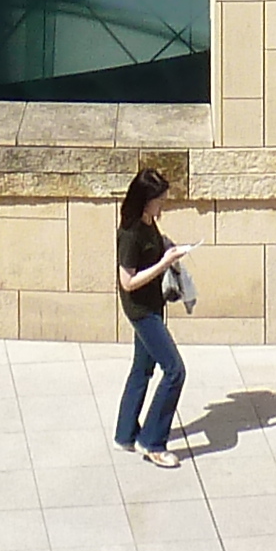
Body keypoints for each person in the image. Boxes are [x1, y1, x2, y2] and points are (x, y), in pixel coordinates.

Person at [113, 166, 193, 466]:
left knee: (141, 369)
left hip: (153, 304)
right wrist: (164, 263)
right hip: (141, 311)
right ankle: (152, 442)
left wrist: (167, 248)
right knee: (174, 370)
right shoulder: (131, 233)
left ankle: (125, 434)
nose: (163, 205)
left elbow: (153, 252)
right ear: (146, 200)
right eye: (160, 200)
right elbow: (128, 281)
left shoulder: (148, 224)